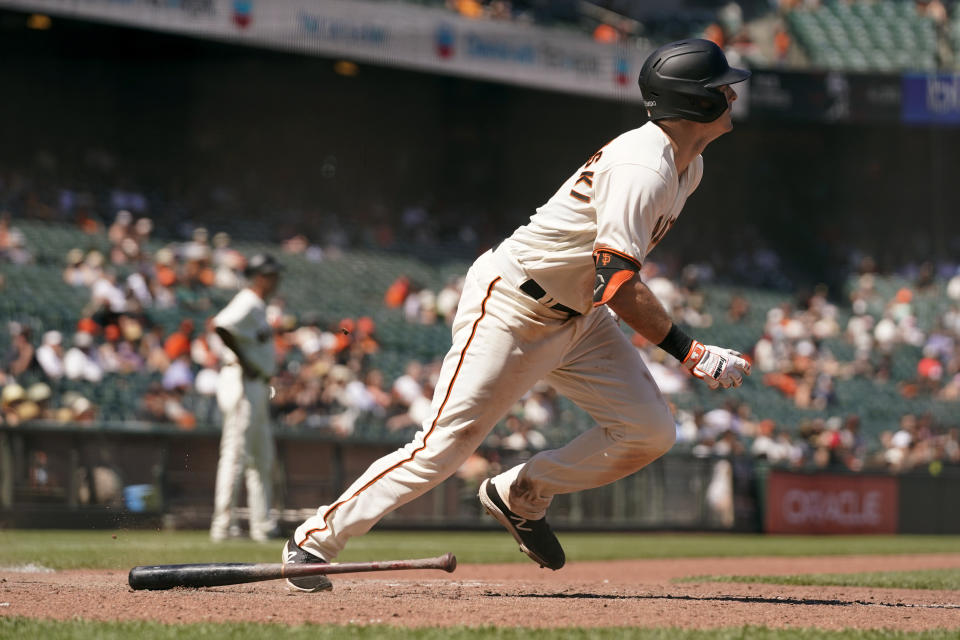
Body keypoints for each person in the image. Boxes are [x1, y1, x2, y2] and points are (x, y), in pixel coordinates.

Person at [282, 39, 752, 591]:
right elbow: (618, 281)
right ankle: (312, 542)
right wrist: (690, 352)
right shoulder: (643, 167)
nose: (730, 94)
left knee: (648, 432)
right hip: (513, 305)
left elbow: (607, 283)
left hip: (578, 316)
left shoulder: (686, 165)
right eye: (721, 87)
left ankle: (519, 493)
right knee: (440, 449)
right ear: (695, 103)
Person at [209, 253, 283, 543]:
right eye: (274, 275)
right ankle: (222, 526)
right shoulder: (248, 300)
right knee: (236, 455)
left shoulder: (259, 305)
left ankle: (261, 526)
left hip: (256, 386)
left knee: (262, 460)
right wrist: (247, 361)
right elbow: (221, 325)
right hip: (242, 380)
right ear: (262, 277)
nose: (278, 281)